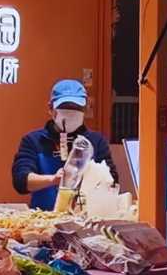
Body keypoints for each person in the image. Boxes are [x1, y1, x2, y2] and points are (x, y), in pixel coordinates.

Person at [10, 78, 116, 211]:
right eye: (64, 107)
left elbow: (113, 181)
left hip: (86, 219)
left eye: (76, 108)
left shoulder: (96, 141)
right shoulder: (33, 140)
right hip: (43, 219)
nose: (71, 113)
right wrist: (53, 179)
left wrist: (89, 176)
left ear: (85, 109)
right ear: (50, 108)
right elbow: (21, 181)